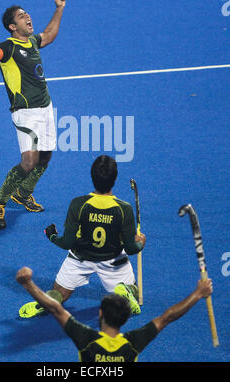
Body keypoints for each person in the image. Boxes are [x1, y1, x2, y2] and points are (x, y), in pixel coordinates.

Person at [0, 0, 66, 229]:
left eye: (26, 13)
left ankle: (24, 193)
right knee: (28, 162)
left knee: (45, 156)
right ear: (11, 26)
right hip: (25, 112)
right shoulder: (7, 48)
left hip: (46, 107)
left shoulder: (33, 42)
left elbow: (49, 35)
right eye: (21, 16)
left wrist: (59, 8)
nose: (27, 16)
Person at [18, 155, 146, 318]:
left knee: (59, 294)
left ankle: (47, 301)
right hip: (113, 261)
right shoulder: (124, 208)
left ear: (92, 177)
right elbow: (130, 248)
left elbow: (66, 242)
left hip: (79, 259)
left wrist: (51, 236)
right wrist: (140, 243)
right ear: (114, 179)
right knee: (133, 294)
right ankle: (126, 291)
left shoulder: (78, 204)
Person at [16, 266, 213, 362]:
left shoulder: (86, 339)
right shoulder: (133, 343)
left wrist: (28, 284)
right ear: (126, 318)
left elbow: (55, 308)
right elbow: (168, 316)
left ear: (100, 314)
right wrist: (198, 293)